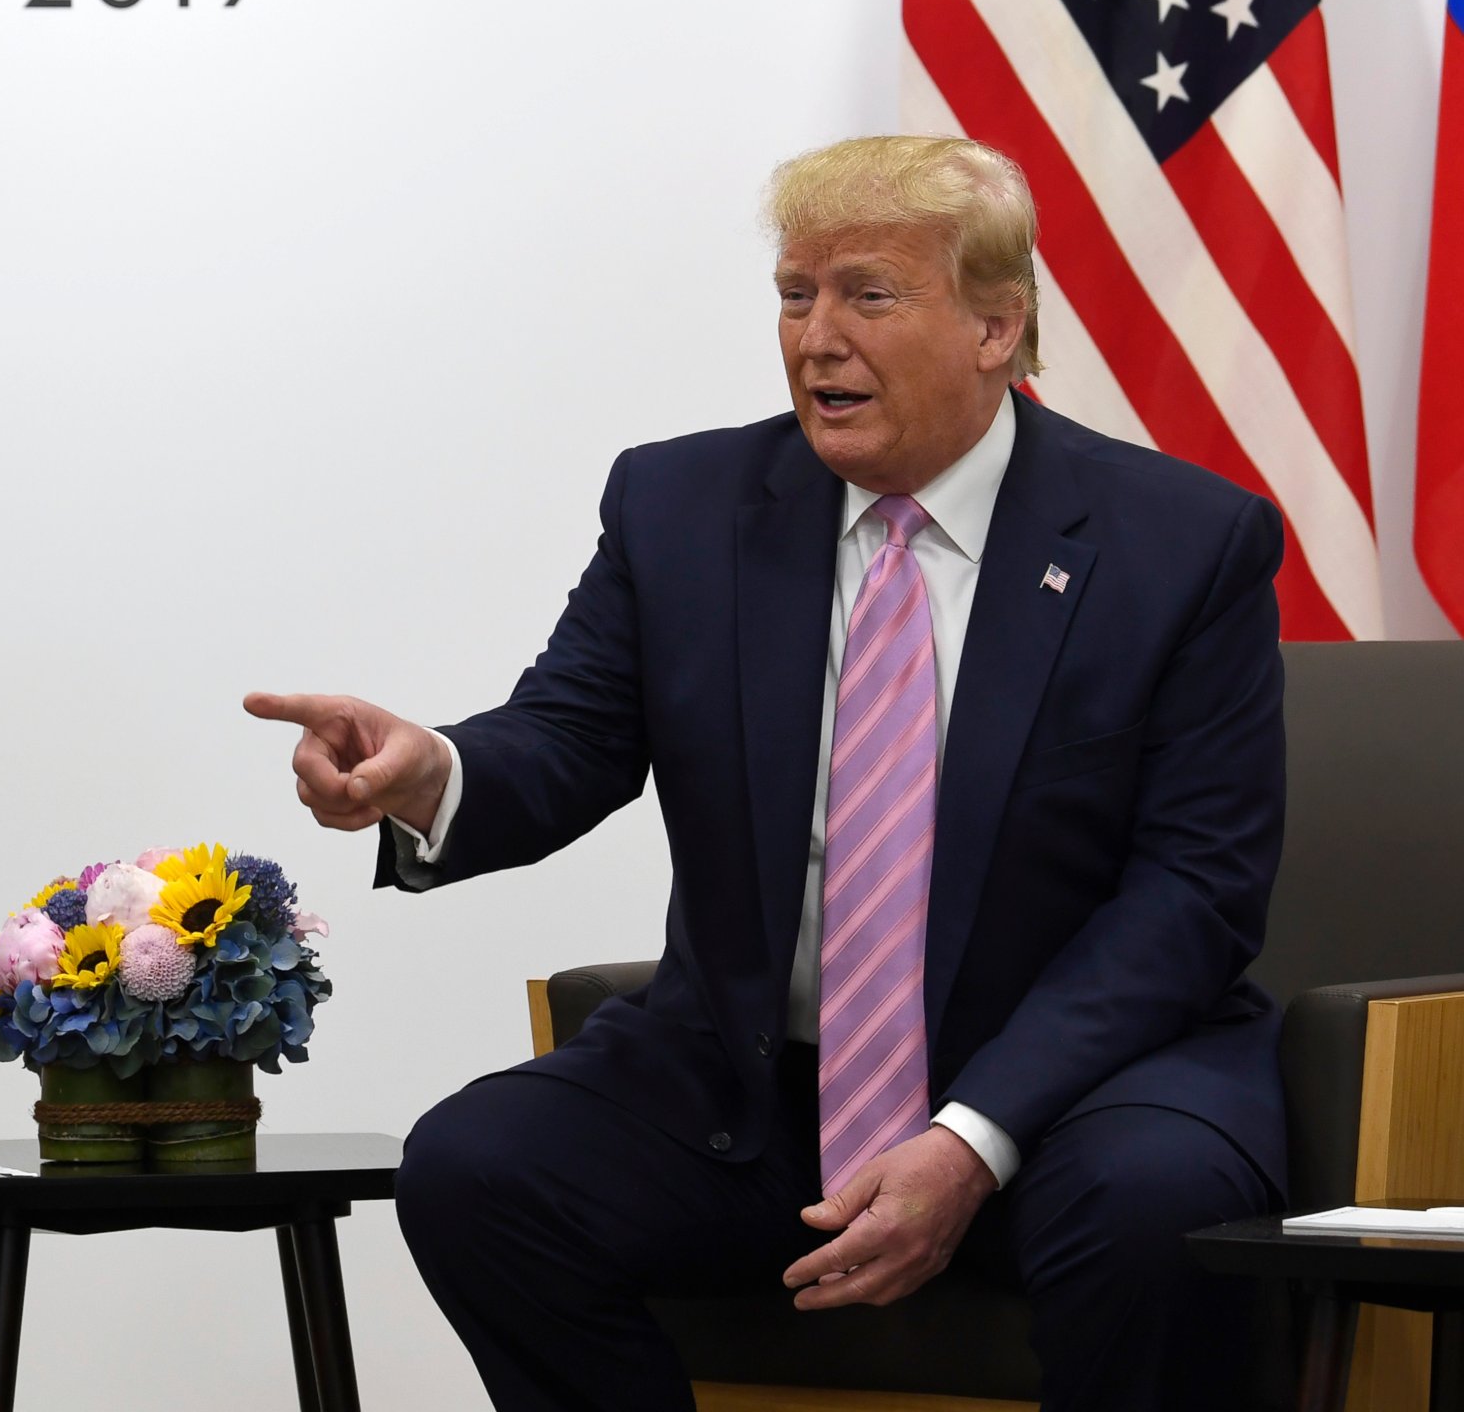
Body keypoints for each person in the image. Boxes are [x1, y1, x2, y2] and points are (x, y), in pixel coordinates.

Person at [247, 137, 1285, 1411]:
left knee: (1158, 1210)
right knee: (477, 1168)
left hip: (1073, 1091)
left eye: (870, 295)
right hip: (757, 1086)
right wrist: (428, 775)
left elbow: (1193, 894)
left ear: (997, 327)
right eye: (796, 296)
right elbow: (568, 739)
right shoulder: (682, 506)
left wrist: (969, 1140)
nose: (817, 339)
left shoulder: (1181, 543)